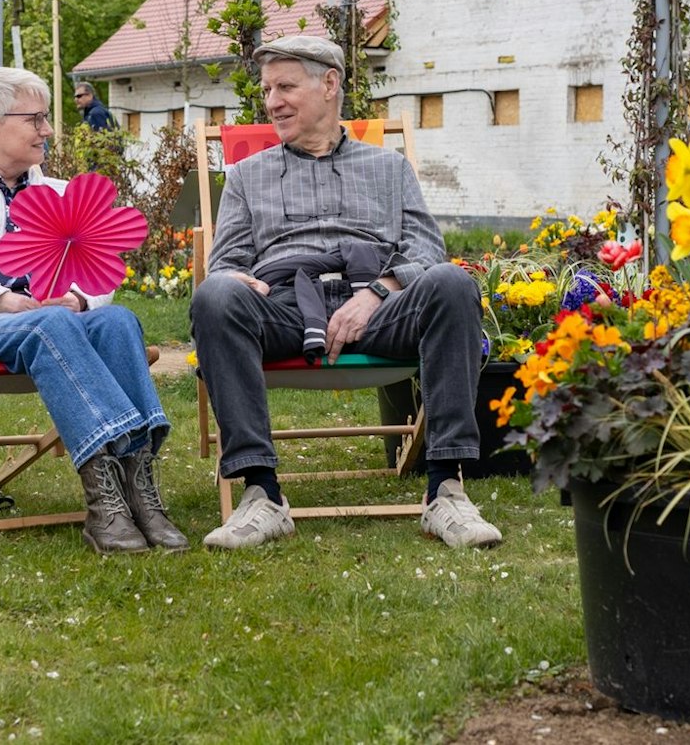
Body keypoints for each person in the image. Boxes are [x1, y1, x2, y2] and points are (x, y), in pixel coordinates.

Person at [189, 36, 501, 551]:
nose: (272, 101)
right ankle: (261, 495)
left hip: (379, 304)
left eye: (286, 86)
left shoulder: (389, 168)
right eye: (268, 89)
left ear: (330, 84)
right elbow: (227, 263)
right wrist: (230, 281)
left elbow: (425, 249)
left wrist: (377, 293)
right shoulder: (247, 175)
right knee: (215, 295)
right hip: (287, 308)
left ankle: (444, 489)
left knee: (452, 282)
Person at [0, 66, 184, 554]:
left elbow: (99, 270)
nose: (48, 130)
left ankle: (139, 492)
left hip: (48, 326)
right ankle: (106, 502)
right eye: (37, 119)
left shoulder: (59, 191)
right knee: (51, 323)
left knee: (116, 319)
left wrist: (80, 298)